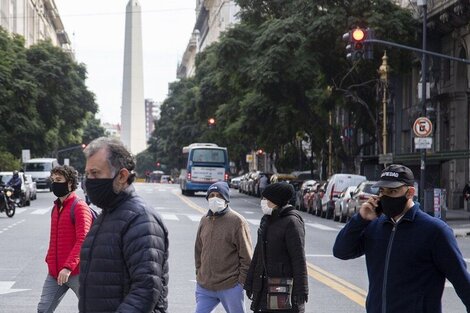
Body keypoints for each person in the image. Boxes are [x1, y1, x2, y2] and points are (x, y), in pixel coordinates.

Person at [333, 164, 470, 313]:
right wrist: (360, 219)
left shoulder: (435, 231)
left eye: (393, 191)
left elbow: (463, 283)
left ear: (410, 192)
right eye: (382, 191)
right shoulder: (374, 226)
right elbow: (341, 251)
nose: (385, 196)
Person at [79, 137, 169, 313]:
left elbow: (145, 290)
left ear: (122, 176)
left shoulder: (141, 220)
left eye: (96, 173)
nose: (89, 181)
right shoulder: (106, 215)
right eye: (87, 174)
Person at [244, 182, 309, 313]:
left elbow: (298, 259)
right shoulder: (267, 220)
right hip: (264, 287)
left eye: (265, 199)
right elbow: (258, 254)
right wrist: (250, 282)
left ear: (275, 201)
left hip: (282, 288)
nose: (262, 202)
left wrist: (301, 290)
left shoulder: (292, 222)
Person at [37, 165, 93, 313]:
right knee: (43, 309)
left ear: (69, 183)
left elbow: (83, 239)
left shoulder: (79, 207)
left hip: (77, 272)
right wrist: (50, 259)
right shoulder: (56, 208)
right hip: (55, 272)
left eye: (59, 180)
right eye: (53, 180)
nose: (55, 183)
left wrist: (68, 267)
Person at [194, 181, 253, 313]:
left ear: (226, 199)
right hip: (205, 287)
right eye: (212, 195)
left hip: (230, 286)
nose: (215, 198)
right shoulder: (204, 220)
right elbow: (198, 250)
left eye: (219, 196)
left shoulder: (238, 222)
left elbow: (246, 257)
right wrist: (199, 274)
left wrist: (240, 283)